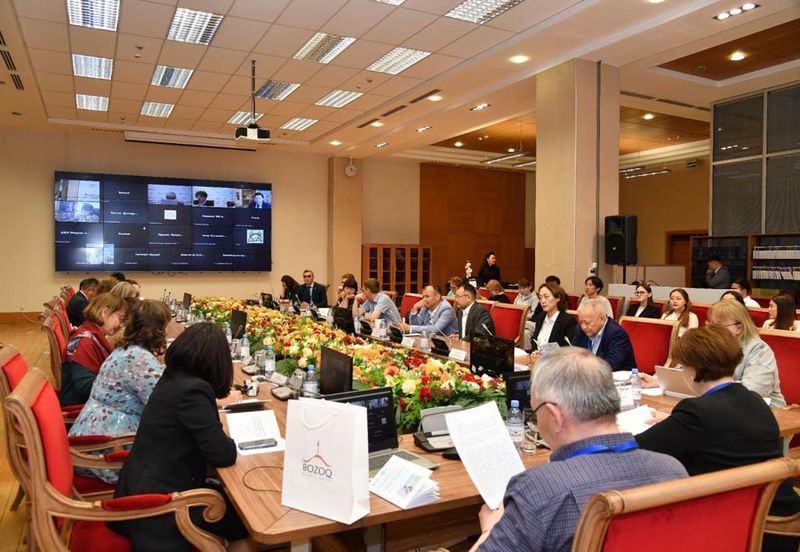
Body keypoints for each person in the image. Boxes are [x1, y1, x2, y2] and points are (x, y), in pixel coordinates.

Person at [471, 348, 687, 552]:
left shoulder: (538, 489)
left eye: (535, 414)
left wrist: (490, 529)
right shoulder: (673, 470)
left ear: (555, 416)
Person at [636, 325, 800, 552]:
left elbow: (638, 448)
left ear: (693, 370)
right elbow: (720, 429)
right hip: (780, 518)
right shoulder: (754, 401)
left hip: (739, 528)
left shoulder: (697, 413)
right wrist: (675, 422)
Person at [112, 323, 253, 551]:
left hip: (141, 487)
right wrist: (227, 436)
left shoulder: (173, 376)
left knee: (230, 500)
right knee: (246, 520)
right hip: (161, 507)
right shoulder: (194, 391)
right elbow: (223, 455)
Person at [68, 300, 171, 483]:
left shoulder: (126, 350)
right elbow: (164, 406)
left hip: (92, 434)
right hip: (107, 450)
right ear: (157, 330)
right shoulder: (139, 358)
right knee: (181, 450)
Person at [708, 300, 785, 407]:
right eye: (710, 325)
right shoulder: (715, 347)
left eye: (718, 326)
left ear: (739, 328)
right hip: (723, 405)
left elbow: (753, 390)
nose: (711, 331)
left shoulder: (759, 350)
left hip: (764, 409)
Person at [61, 293, 129, 406]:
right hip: (82, 407)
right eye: (120, 319)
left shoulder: (92, 334)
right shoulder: (84, 342)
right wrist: (122, 383)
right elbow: (84, 386)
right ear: (104, 312)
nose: (120, 325)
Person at [572, 298, 636, 371]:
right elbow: (574, 353)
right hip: (589, 374)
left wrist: (584, 366)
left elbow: (611, 364)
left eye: (587, 323)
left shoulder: (616, 333)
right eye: (580, 322)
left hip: (616, 375)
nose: (583, 327)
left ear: (602, 318)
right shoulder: (580, 329)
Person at [530, 282, 576, 350]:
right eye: (540, 297)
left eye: (546, 297)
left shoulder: (568, 321)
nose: (542, 301)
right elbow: (535, 341)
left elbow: (572, 349)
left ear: (558, 298)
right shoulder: (540, 317)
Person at [514, 279, 538, 348]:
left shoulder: (534, 298)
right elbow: (514, 307)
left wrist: (525, 317)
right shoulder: (519, 296)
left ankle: (527, 351)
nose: (521, 290)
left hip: (530, 322)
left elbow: (534, 313)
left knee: (523, 328)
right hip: (520, 321)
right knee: (525, 332)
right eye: (520, 288)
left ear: (530, 287)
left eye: (524, 288)